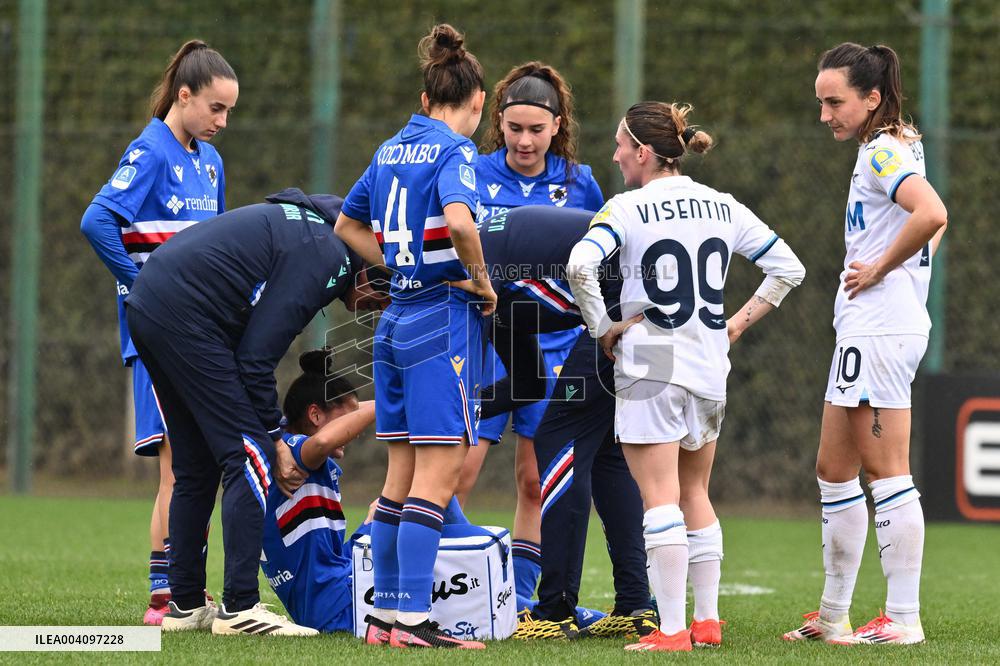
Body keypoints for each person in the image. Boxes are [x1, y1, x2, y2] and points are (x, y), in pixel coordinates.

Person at [567, 102, 805, 651]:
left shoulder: (624, 208)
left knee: (659, 497)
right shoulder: (722, 206)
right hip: (707, 361)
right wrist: (734, 326)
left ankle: (671, 630)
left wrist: (602, 326)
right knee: (696, 489)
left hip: (651, 360)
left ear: (644, 153)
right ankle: (707, 621)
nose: (615, 154)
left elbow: (581, 266)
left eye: (622, 145)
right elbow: (788, 268)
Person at [125, 187, 387, 636]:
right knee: (250, 456)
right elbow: (256, 358)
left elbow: (248, 346)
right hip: (185, 314)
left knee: (195, 465)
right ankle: (241, 608)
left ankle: (185, 605)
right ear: (371, 265)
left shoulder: (314, 231)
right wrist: (276, 436)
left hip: (150, 304)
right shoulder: (330, 256)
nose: (382, 305)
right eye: (387, 288)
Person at [334, 24, 496, 650]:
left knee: (400, 477)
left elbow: (347, 224)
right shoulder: (455, 152)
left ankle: (385, 620)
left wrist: (398, 265)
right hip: (438, 320)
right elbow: (459, 221)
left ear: (427, 97)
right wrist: (481, 283)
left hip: (395, 321)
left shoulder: (388, 150)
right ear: (476, 104)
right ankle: (411, 621)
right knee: (440, 470)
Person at [782, 43, 947, 647]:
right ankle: (833, 617)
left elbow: (932, 213)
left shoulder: (882, 149)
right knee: (834, 469)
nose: (825, 114)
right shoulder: (897, 139)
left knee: (887, 472)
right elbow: (931, 224)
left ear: (871, 98)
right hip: (868, 326)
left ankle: (903, 618)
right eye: (821, 102)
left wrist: (881, 271)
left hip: (879, 327)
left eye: (835, 102)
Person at [79, 39, 237, 625]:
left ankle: (180, 593)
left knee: (196, 463)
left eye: (230, 112)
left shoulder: (211, 162)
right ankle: (164, 597)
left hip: (200, 332)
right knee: (180, 467)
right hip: (161, 333)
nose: (222, 122)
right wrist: (139, 285)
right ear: (184, 95)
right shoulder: (149, 151)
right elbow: (96, 221)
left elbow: (219, 248)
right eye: (215, 109)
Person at [458, 61, 605, 607]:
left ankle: (523, 600)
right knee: (458, 471)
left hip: (558, 347)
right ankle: (442, 588)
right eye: (515, 128)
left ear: (557, 125)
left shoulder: (579, 181)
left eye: (536, 130)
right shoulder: (472, 171)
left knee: (535, 480)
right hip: (489, 343)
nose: (525, 140)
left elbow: (596, 264)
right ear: (499, 122)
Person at [472, 205, 654, 640]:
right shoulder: (497, 297)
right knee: (608, 453)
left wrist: (442, 407)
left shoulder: (472, 275)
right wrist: (467, 408)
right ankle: (634, 605)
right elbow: (528, 383)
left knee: (557, 436)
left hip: (635, 311)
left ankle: (554, 611)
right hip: (644, 312)